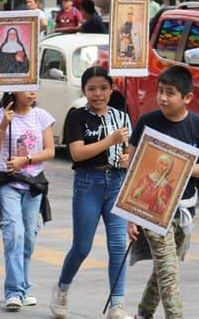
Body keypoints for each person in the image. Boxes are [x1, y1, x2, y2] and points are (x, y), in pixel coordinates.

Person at [126, 66, 199, 319]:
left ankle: (143, 314)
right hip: (153, 210)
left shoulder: (198, 126)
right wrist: (131, 215)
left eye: (170, 93)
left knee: (165, 269)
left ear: (187, 97)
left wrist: (183, 168)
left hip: (184, 209)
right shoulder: (148, 122)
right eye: (161, 92)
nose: (163, 98)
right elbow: (133, 167)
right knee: (168, 270)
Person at [50, 67, 133, 319]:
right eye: (91, 89)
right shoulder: (77, 117)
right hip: (88, 183)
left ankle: (117, 305)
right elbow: (77, 153)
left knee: (118, 245)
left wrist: (127, 158)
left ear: (112, 89)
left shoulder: (122, 116)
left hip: (116, 182)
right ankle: (62, 288)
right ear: (84, 90)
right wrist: (111, 140)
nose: (98, 94)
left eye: (103, 88)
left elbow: (129, 151)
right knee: (82, 247)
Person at [0, 91, 55, 310]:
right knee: (13, 234)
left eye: (35, 87)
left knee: (29, 237)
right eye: (27, 87)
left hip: (33, 185)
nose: (32, 92)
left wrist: (25, 160)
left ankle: (25, 286)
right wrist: (3, 125)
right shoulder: (1, 114)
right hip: (9, 184)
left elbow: (50, 151)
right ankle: (13, 291)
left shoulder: (42, 116)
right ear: (15, 89)